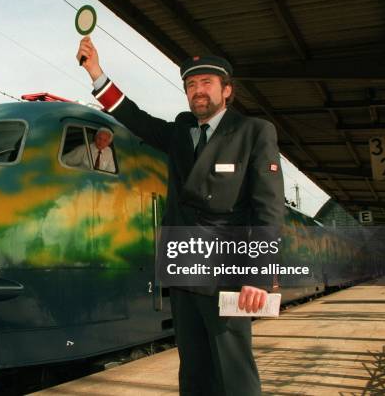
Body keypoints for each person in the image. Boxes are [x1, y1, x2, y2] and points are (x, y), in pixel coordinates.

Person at [76, 36, 284, 395]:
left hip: (226, 274)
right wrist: (96, 72)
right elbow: (133, 116)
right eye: (191, 85)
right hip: (184, 270)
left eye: (206, 83)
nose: (198, 91)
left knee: (234, 372)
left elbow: (268, 208)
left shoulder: (253, 132)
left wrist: (259, 274)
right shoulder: (180, 133)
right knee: (194, 371)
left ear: (227, 90)